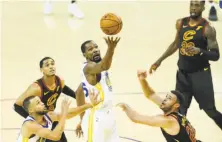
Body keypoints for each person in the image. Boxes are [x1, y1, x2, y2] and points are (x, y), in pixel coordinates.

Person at [149, 0, 222, 130]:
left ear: (203, 7)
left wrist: (200, 51)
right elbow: (176, 44)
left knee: (210, 110)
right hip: (182, 75)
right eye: (192, 4)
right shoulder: (181, 23)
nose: (193, 8)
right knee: (179, 112)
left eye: (197, 5)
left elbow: (216, 55)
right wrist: (159, 60)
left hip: (201, 76)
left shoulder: (207, 29)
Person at [117, 70, 200, 142]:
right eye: (166, 97)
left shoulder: (169, 121)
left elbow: (135, 118)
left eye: (169, 98)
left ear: (176, 105)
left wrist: (125, 106)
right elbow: (151, 94)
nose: (164, 99)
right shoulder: (175, 111)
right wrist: (142, 79)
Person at [14, 57, 82, 142]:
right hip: (41, 120)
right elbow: (16, 105)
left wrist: (79, 97)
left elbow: (64, 89)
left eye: (52, 64)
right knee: (54, 137)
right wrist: (35, 119)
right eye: (47, 65)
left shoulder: (59, 80)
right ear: (41, 69)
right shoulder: (36, 88)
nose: (51, 67)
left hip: (51, 118)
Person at [75, 37, 121, 142]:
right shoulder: (89, 67)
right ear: (84, 55)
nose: (95, 50)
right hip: (96, 119)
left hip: (109, 116)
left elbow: (78, 92)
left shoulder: (95, 67)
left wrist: (82, 119)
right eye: (90, 49)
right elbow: (105, 66)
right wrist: (111, 48)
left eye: (96, 47)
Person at [17, 89, 100, 142]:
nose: (42, 103)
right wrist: (63, 114)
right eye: (38, 103)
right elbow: (55, 136)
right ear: (31, 110)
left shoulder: (48, 116)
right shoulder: (29, 125)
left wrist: (90, 104)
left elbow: (69, 113)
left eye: (41, 101)